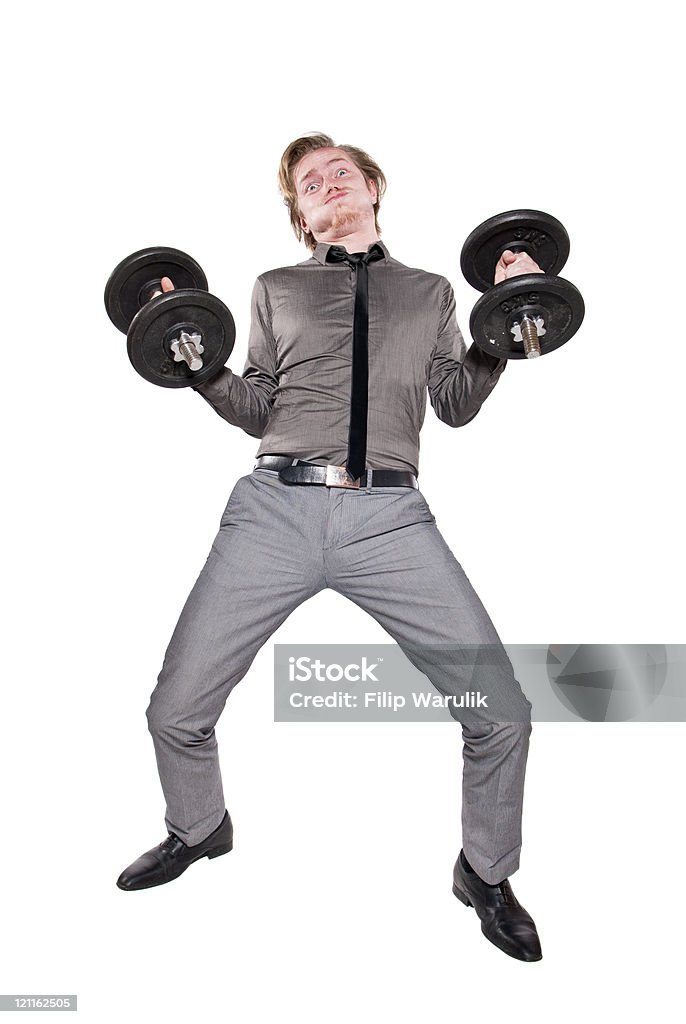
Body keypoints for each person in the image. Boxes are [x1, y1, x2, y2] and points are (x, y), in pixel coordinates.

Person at [117, 132, 545, 963]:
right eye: (309, 183)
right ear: (301, 215)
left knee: (504, 715)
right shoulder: (277, 287)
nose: (327, 183)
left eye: (339, 170)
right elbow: (254, 403)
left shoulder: (428, 293)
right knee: (174, 711)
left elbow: (454, 403)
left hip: (390, 520)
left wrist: (508, 318)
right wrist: (192, 359)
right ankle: (199, 827)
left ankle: (484, 872)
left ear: (373, 187)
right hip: (272, 511)